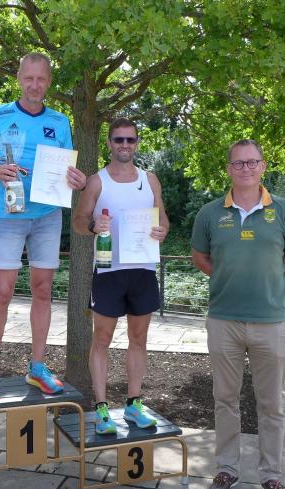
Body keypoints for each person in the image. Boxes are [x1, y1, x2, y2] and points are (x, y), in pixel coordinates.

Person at [190, 139, 285, 489]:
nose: (245, 168)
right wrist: (228, 277)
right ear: (228, 169)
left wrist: (269, 281)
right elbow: (200, 257)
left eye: (252, 162)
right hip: (223, 320)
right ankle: (227, 469)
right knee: (225, 400)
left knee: (271, 404)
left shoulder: (284, 211)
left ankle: (272, 475)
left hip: (270, 322)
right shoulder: (210, 213)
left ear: (263, 166)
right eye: (238, 163)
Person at [0, 52, 87, 400]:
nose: (35, 85)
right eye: (29, 78)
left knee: (43, 290)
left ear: (49, 82)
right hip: (7, 216)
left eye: (41, 79)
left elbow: (68, 170)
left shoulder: (60, 122)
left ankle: (37, 367)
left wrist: (77, 180)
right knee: (3, 292)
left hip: (47, 216)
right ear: (19, 79)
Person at [72, 118, 169, 434]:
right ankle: (101, 408)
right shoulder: (96, 181)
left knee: (138, 339)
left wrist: (162, 230)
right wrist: (93, 226)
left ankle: (134, 404)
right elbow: (78, 221)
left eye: (130, 139)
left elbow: (163, 221)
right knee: (102, 339)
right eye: (119, 139)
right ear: (109, 143)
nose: (124, 145)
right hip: (108, 271)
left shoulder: (150, 180)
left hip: (142, 269)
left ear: (137, 142)